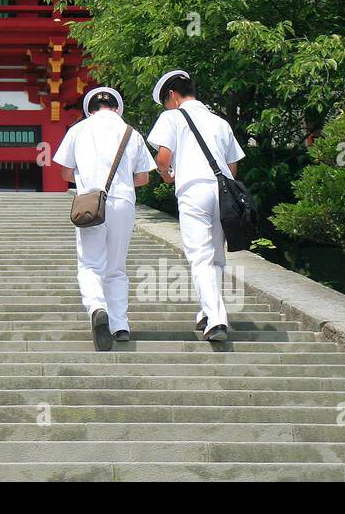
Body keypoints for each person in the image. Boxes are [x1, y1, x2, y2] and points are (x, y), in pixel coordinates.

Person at [146, 70, 245, 343]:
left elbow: (163, 157)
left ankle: (216, 320)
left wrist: (166, 175)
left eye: (166, 101)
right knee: (216, 257)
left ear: (172, 96)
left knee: (200, 256)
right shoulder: (219, 122)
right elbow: (233, 165)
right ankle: (206, 311)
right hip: (223, 190)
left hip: (193, 189)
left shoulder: (172, 117)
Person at [54, 86, 153, 350]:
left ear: (90, 109)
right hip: (123, 202)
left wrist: (85, 177)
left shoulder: (77, 130)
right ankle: (120, 325)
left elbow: (65, 173)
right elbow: (143, 177)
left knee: (90, 264)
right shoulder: (131, 132)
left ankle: (97, 307)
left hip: (91, 204)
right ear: (117, 108)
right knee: (117, 267)